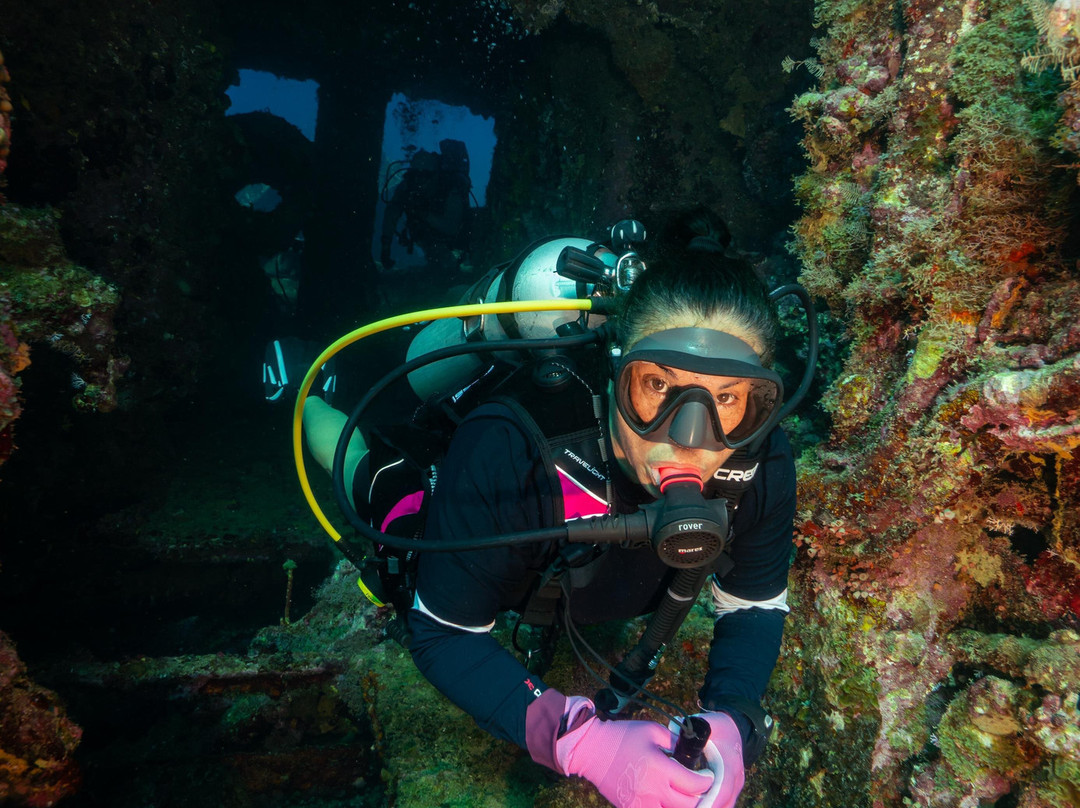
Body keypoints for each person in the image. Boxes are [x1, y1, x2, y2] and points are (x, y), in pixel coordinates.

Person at [291, 211, 798, 808]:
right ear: (615, 374)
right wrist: (583, 745)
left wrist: (735, 723)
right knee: (385, 490)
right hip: (470, 509)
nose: (689, 438)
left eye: (729, 399)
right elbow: (443, 633)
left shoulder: (759, 459)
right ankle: (304, 395)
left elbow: (755, 603)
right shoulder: (513, 442)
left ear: (760, 404)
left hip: (574, 579)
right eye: (657, 387)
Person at [379, 139, 472, 273]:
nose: (419, 182)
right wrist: (385, 247)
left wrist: (423, 214)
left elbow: (451, 227)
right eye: (416, 176)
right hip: (427, 236)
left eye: (425, 176)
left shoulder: (450, 189)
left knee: (444, 261)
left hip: (449, 238)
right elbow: (391, 215)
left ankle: (454, 262)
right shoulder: (406, 187)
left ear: (434, 175)